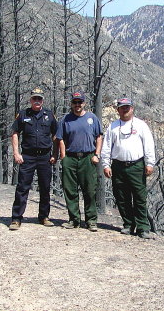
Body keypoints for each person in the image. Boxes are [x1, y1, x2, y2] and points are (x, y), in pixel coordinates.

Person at [101, 97, 156, 239]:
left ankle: (143, 227)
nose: (125, 109)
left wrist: (150, 163)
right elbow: (106, 147)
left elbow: (148, 144)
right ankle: (128, 224)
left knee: (139, 197)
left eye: (128, 107)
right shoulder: (113, 126)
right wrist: (106, 165)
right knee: (121, 197)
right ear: (117, 109)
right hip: (118, 166)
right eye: (122, 107)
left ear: (132, 108)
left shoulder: (141, 125)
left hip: (136, 166)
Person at [9, 88, 58, 230]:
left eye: (39, 99)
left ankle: (44, 216)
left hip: (45, 157)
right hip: (28, 156)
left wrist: (55, 154)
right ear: (30, 100)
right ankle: (16, 218)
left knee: (45, 187)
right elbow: (15, 133)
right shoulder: (23, 114)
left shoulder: (49, 115)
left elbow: (56, 136)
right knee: (22, 187)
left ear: (43, 100)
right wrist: (16, 153)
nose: (37, 101)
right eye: (34, 98)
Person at [56, 91, 103, 232]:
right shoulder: (66, 119)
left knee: (89, 190)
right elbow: (60, 139)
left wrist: (97, 155)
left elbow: (99, 136)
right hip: (70, 158)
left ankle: (91, 221)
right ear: (71, 103)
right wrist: (63, 156)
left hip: (87, 157)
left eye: (80, 102)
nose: (77, 105)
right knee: (70, 191)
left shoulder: (92, 118)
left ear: (84, 103)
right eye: (75, 102)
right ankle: (74, 219)